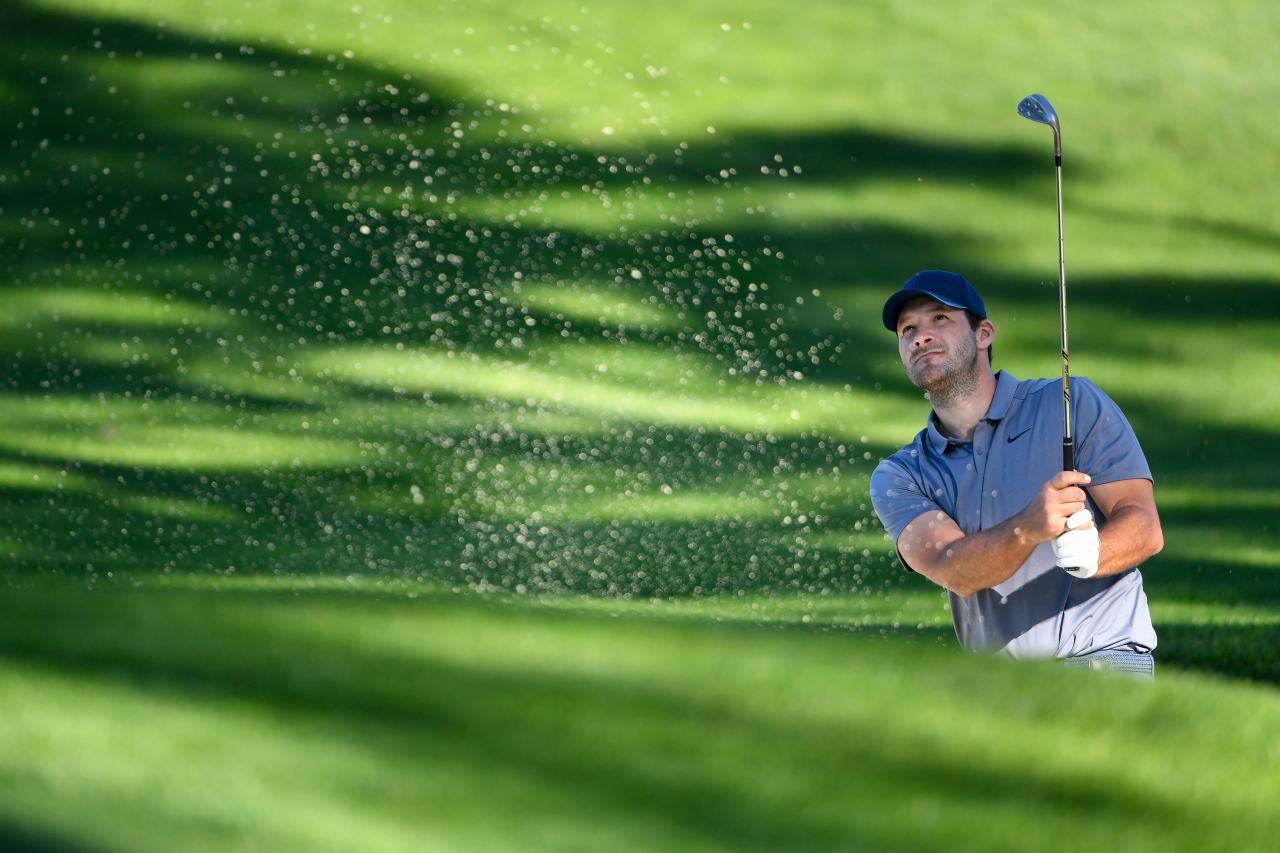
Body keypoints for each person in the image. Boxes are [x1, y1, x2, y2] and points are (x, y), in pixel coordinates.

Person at [869, 270, 1164, 675]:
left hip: (1105, 662)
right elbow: (952, 568)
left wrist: (1094, 553)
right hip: (998, 687)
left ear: (983, 333)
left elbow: (1145, 527)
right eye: (908, 329)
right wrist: (1029, 527)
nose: (920, 336)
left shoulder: (1070, 402)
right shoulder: (901, 475)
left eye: (940, 319)